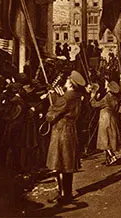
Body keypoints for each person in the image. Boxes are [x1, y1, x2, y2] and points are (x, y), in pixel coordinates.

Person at [46, 71, 86, 205]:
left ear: (70, 83)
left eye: (67, 79)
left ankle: (63, 195)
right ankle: (66, 192)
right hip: (71, 131)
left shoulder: (65, 98)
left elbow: (50, 116)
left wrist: (53, 98)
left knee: (59, 163)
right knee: (67, 164)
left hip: (61, 131)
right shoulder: (77, 96)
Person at [90, 80, 121, 166]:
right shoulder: (115, 97)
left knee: (104, 139)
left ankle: (112, 157)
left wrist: (93, 96)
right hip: (112, 118)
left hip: (105, 119)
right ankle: (108, 158)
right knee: (110, 138)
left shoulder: (107, 97)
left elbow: (95, 104)